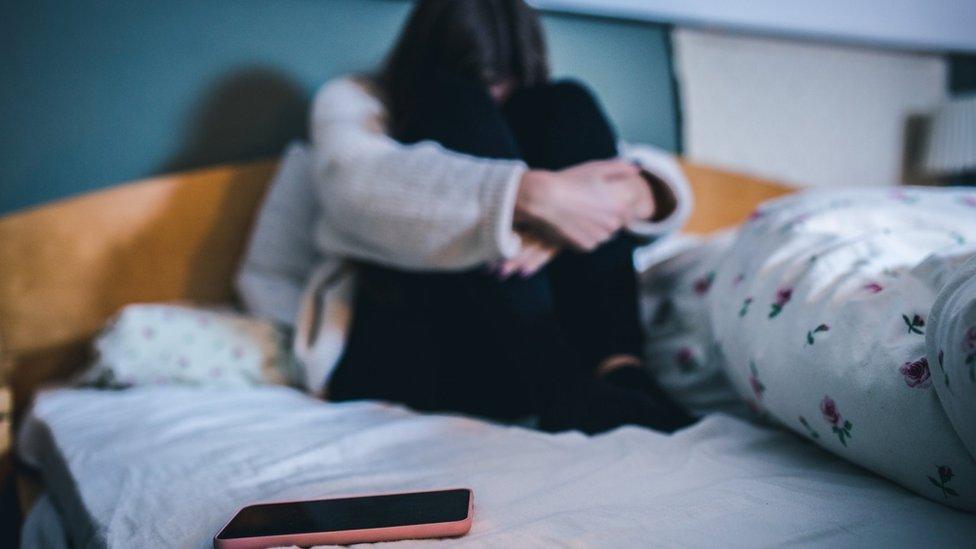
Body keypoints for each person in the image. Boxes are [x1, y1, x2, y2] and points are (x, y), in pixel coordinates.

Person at [301, 0, 695, 434]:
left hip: (534, 353)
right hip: (411, 346)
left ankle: (620, 370)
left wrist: (591, 206)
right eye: (478, 76)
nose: (492, 95)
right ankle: (562, 389)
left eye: (502, 79)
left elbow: (642, 176)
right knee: (451, 102)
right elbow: (354, 187)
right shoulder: (355, 99)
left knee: (568, 103)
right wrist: (529, 198)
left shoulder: (538, 112)